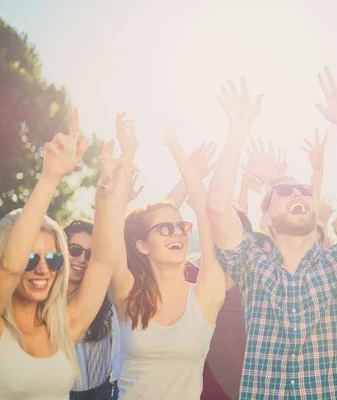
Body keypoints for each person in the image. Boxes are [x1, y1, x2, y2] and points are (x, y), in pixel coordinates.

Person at [207, 67, 337, 399]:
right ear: (266, 219)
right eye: (284, 192)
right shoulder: (250, 266)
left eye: (303, 190)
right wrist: (238, 131)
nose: (298, 193)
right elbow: (217, 208)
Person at [0, 111, 120, 398]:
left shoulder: (63, 327)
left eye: (53, 258)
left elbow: (103, 260)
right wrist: (50, 178)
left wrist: (105, 193)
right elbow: (11, 267)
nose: (43, 269)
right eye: (30, 258)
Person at [109, 116, 226, 399]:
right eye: (164, 228)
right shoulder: (127, 293)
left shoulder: (205, 296)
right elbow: (111, 233)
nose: (177, 233)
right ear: (142, 246)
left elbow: (206, 211)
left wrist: (176, 148)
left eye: (180, 226)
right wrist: (126, 156)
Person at [65, 220, 115, 400]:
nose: (82, 259)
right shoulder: (40, 294)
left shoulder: (104, 293)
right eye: (75, 250)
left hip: (101, 393)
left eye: (90, 254)